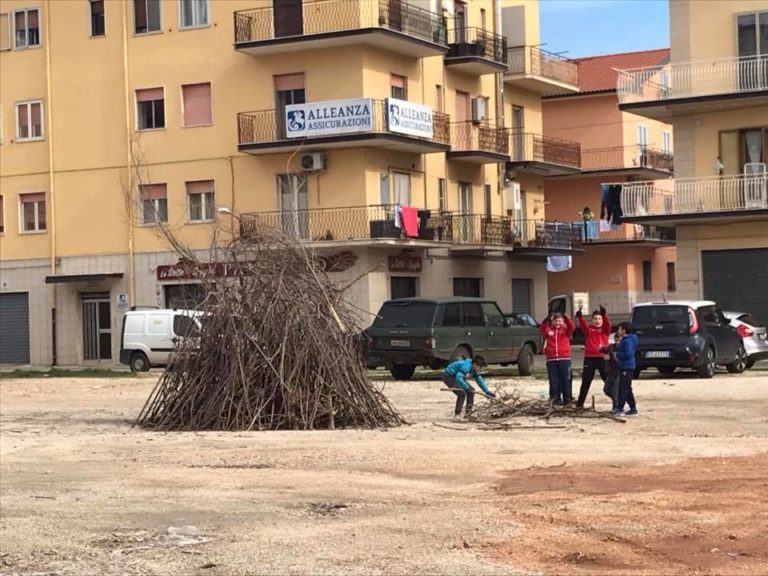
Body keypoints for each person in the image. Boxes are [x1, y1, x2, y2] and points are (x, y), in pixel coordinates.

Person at [575, 305, 611, 408]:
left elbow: (608, 324)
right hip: (590, 358)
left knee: (608, 380)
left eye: (599, 319)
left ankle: (617, 403)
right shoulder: (589, 330)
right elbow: (583, 326)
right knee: (586, 382)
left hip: (602, 358)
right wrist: (580, 317)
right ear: (592, 320)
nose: (597, 321)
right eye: (595, 319)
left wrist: (604, 315)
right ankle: (579, 404)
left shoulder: (605, 330)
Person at [443, 355, 495, 419]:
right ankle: (457, 415)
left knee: (471, 392)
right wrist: (467, 387)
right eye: (480, 367)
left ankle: (468, 414)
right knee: (461, 393)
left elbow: (479, 381)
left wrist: (487, 391)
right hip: (449, 376)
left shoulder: (474, 369)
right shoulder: (466, 366)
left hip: (457, 377)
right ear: (475, 364)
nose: (480, 369)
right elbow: (458, 377)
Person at [540, 312, 575, 405]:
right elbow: (542, 328)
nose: (557, 323)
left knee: (565, 379)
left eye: (560, 321)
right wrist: (546, 320)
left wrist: (566, 317)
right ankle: (555, 398)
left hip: (564, 359)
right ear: (552, 322)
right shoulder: (548, 330)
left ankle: (567, 399)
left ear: (563, 322)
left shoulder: (566, 330)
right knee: (553, 380)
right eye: (555, 321)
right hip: (551, 359)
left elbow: (572, 326)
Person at [614, 322, 639, 416]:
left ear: (624, 330)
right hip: (625, 366)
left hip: (626, 367)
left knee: (623, 388)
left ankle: (620, 408)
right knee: (627, 387)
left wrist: (618, 355)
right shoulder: (626, 340)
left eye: (619, 329)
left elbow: (628, 354)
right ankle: (633, 407)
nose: (618, 331)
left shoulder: (627, 341)